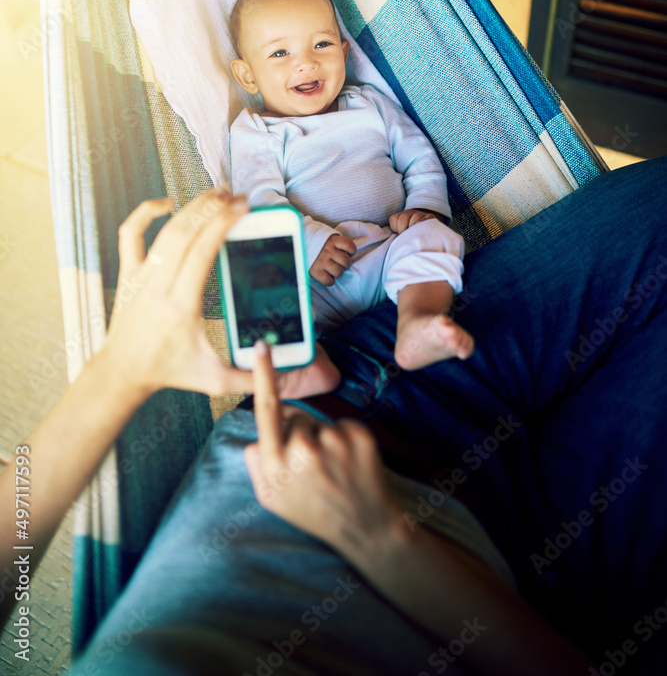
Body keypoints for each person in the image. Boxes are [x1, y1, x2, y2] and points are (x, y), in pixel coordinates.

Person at [0, 187, 591, 676]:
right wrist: (379, 540)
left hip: (329, 411)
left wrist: (120, 370)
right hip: (536, 572)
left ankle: (317, 362)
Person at [228, 0, 473, 371]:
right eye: (279, 53)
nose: (306, 62)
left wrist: (426, 208)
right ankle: (301, 370)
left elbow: (419, 158)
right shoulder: (256, 130)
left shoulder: (370, 104)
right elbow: (259, 199)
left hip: (387, 253)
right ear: (247, 75)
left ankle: (419, 322)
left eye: (321, 44)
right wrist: (308, 244)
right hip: (309, 280)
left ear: (343, 53)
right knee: (249, 259)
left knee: (436, 236)